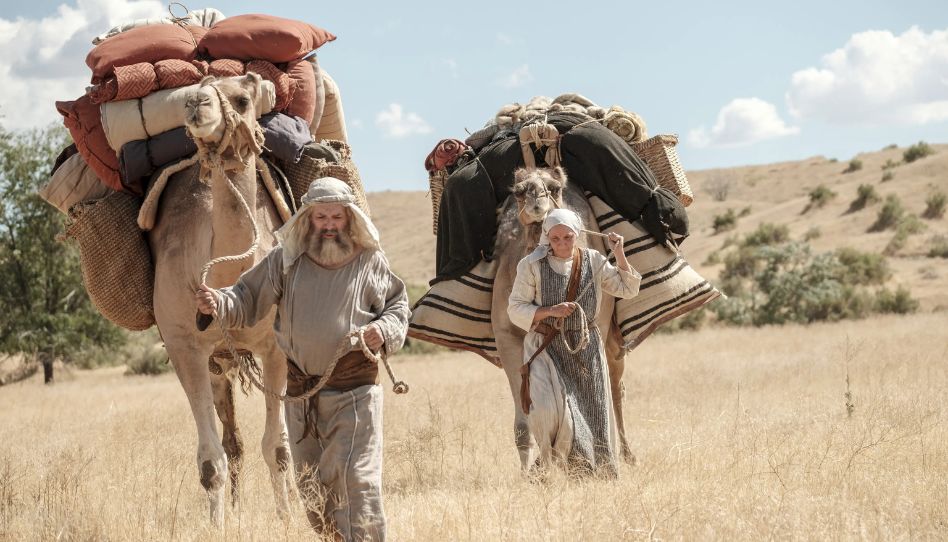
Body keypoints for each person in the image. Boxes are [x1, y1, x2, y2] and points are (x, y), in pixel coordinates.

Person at [195, 177, 409, 540]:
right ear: (307, 218)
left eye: (336, 217)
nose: (328, 225)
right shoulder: (285, 260)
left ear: (349, 217)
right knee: (312, 489)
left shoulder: (370, 260)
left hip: (354, 390)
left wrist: (383, 331)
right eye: (321, 217)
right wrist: (219, 302)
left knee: (358, 480)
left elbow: (397, 307)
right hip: (301, 396)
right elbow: (245, 297)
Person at [507, 208, 641, 476]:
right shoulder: (531, 265)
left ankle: (590, 473)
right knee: (547, 410)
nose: (562, 244)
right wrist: (550, 311)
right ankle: (547, 464)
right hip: (546, 346)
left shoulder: (594, 260)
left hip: (585, 348)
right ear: (546, 237)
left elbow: (628, 288)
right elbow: (515, 308)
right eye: (555, 239)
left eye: (568, 237)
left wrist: (619, 254)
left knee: (593, 411)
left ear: (578, 235)